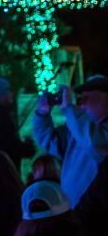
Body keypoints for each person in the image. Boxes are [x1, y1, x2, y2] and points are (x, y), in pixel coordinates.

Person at [32, 75, 108, 206]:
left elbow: (95, 145)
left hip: (97, 213)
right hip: (76, 211)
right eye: (79, 99)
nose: (80, 104)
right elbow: (48, 140)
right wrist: (42, 114)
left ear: (105, 100)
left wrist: (69, 109)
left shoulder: (92, 129)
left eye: (86, 98)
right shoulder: (77, 128)